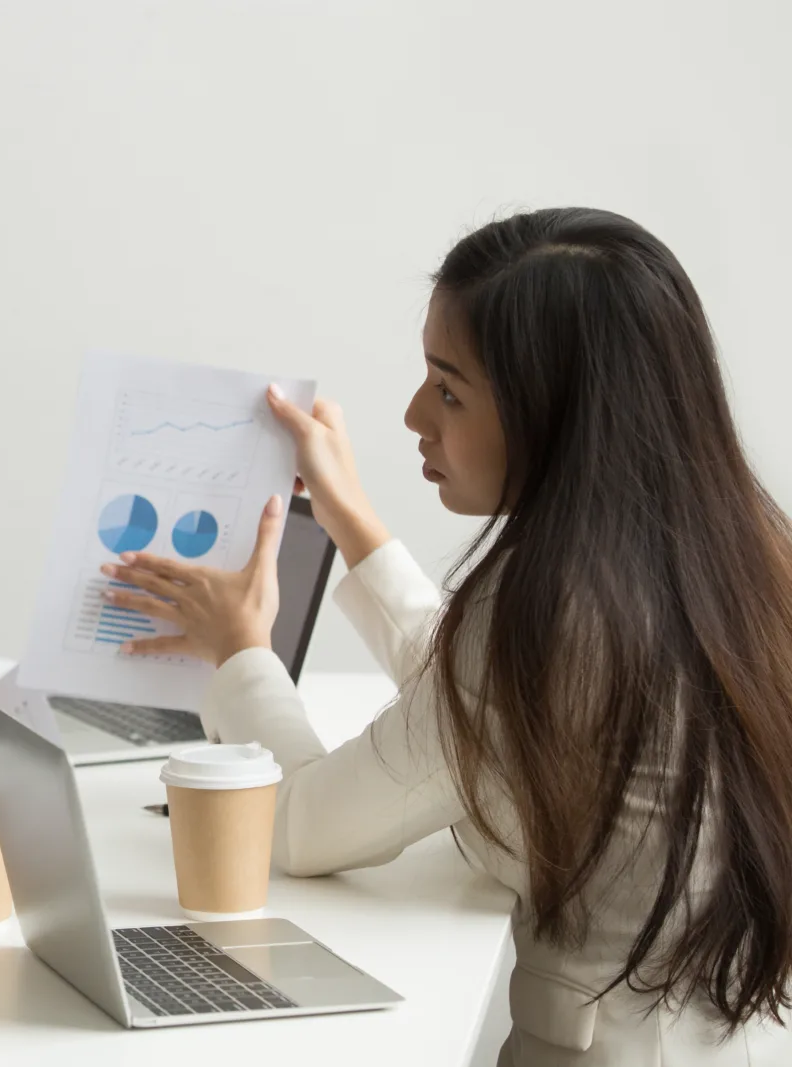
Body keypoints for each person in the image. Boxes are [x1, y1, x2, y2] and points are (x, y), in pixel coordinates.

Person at [101, 208, 792, 1065]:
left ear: (554, 416)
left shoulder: (547, 612)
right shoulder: (742, 559)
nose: (413, 414)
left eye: (449, 388)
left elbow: (301, 827)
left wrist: (242, 652)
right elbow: (486, 703)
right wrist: (353, 523)